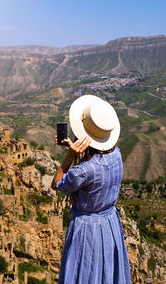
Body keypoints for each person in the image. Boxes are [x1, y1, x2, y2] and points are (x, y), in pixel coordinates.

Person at [51, 95, 132, 284]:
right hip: (110, 223)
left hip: (87, 230)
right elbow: (94, 172)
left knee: (85, 273)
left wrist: (70, 156)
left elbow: (57, 184)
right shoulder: (117, 154)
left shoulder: (84, 170)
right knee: (106, 274)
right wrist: (78, 152)